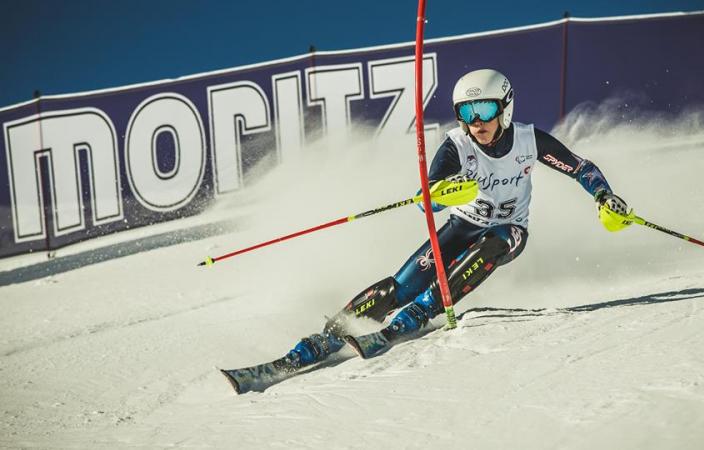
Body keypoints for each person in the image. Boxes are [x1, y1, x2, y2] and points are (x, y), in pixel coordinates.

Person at [221, 69, 630, 393]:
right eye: (468, 114)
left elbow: (581, 167)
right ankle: (329, 335)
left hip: (508, 231)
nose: (477, 123)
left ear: (505, 108)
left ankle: (423, 312)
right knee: (398, 287)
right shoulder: (456, 145)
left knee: (493, 243)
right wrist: (445, 193)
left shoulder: (528, 139)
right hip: (459, 227)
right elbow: (427, 198)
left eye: (485, 111)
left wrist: (605, 197)